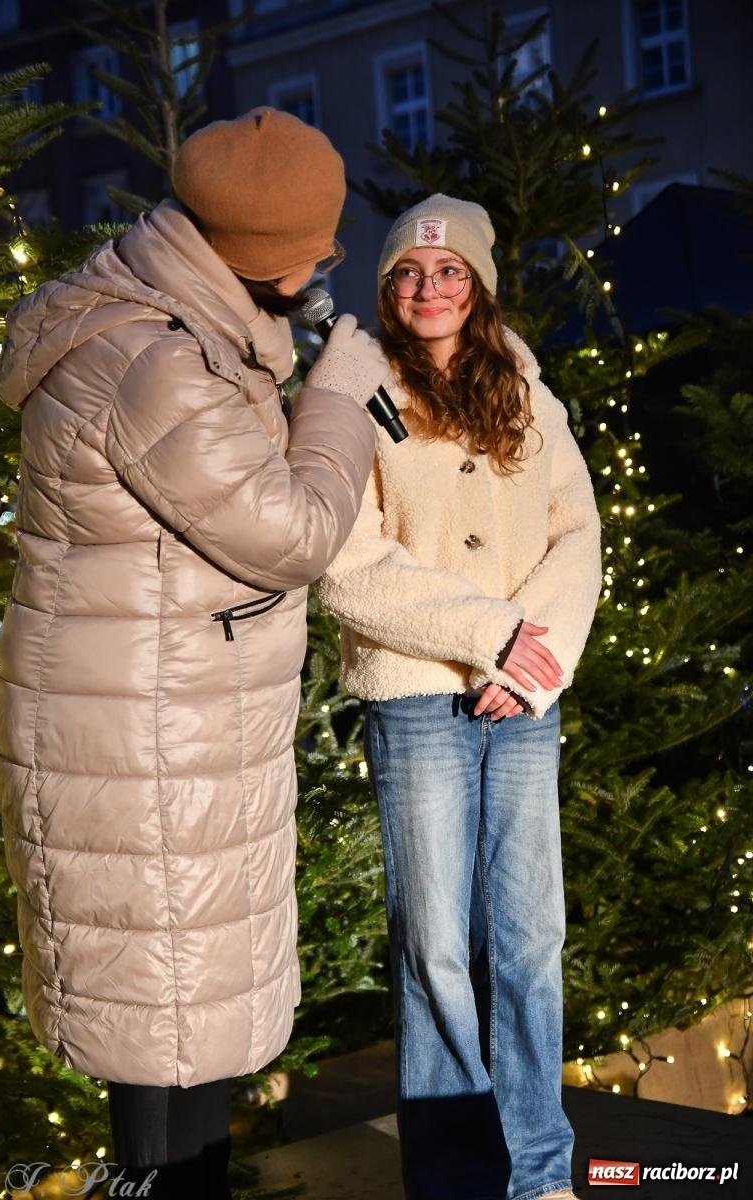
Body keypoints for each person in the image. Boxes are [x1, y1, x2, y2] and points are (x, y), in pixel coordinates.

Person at [0, 107, 390, 1200]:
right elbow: (293, 531)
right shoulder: (151, 364)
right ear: (253, 257)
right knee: (170, 1048)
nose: (323, 271)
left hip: (155, 718)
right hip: (147, 739)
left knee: (176, 1034)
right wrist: (340, 403)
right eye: (313, 253)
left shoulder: (164, 324)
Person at [316, 194, 602, 1200]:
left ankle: (536, 1169)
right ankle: (451, 1176)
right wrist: (490, 639)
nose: (425, 287)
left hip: (522, 705)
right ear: (387, 293)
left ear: (474, 285)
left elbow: (576, 533)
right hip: (416, 701)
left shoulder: (523, 387)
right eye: (404, 273)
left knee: (530, 938)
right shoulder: (355, 394)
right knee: (435, 948)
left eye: (444, 272)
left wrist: (534, 660)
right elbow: (345, 564)